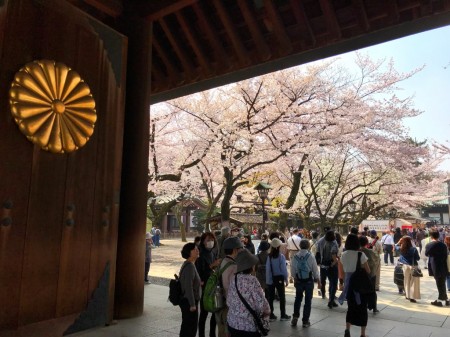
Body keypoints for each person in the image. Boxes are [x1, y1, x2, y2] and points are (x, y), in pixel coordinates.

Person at [227, 249, 270, 337]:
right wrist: (267, 311)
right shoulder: (252, 280)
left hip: (233, 324)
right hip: (249, 327)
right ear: (251, 266)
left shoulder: (234, 279)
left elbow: (229, 301)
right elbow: (261, 303)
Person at [338, 234, 370, 337]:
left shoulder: (344, 254)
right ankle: (363, 334)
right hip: (360, 287)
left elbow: (342, 273)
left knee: (350, 308)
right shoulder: (361, 255)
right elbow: (368, 271)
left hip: (349, 286)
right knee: (362, 309)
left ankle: (347, 329)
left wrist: (341, 283)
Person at [196, 232, 222, 337]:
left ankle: (212, 334)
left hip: (213, 285)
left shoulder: (212, 252)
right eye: (208, 240)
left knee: (215, 311)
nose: (210, 242)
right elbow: (199, 272)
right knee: (204, 313)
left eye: (212, 239)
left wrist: (215, 267)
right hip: (204, 286)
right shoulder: (200, 254)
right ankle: (201, 334)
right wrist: (212, 265)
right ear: (203, 241)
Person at [216, 237, 243, 337]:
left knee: (221, 328)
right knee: (228, 330)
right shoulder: (233, 265)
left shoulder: (224, 261)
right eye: (239, 248)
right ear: (235, 250)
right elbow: (233, 286)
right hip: (229, 301)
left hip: (221, 299)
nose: (240, 251)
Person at [290, 239, 321, 328]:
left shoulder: (295, 256)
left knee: (298, 299)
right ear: (308, 246)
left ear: (300, 246)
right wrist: (318, 281)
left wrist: (294, 278)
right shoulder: (310, 256)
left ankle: (295, 318)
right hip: (308, 282)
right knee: (308, 301)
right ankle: (305, 321)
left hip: (299, 281)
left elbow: (292, 270)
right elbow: (315, 270)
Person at [179, 242, 202, 337]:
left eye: (197, 249)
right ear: (189, 252)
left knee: (186, 326)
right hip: (189, 302)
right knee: (190, 328)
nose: (197, 251)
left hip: (186, 300)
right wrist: (192, 304)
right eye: (194, 249)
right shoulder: (190, 267)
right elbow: (188, 286)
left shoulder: (189, 264)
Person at [266, 238, 290, 321]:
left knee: (270, 298)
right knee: (282, 297)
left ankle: (271, 315)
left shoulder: (269, 256)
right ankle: (283, 315)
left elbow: (268, 269)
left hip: (271, 279)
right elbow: (283, 269)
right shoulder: (281, 256)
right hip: (279, 278)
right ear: (279, 246)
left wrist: (268, 280)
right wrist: (286, 279)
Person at [425, 230, 450, 307]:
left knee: (439, 283)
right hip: (443, 265)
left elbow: (426, 254)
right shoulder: (443, 245)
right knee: (442, 282)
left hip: (435, 266)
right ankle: (446, 299)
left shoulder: (429, 245)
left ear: (431, 236)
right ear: (438, 236)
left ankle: (440, 300)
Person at [319, 230, 339, 308]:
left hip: (324, 264)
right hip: (331, 265)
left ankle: (328, 297)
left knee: (325, 280)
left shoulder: (325, 242)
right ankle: (331, 300)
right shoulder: (334, 243)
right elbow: (333, 253)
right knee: (333, 283)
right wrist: (335, 261)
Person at [397, 236, 421, 303]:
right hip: (413, 266)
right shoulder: (413, 249)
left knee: (406, 281)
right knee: (413, 282)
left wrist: (399, 241)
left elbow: (395, 247)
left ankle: (407, 295)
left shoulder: (401, 248)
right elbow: (418, 258)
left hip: (405, 266)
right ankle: (412, 297)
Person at [359, 236, 379, 313]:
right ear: (366, 243)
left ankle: (361, 305)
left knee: (361, 290)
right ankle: (374, 307)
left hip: (360, 274)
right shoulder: (371, 252)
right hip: (371, 274)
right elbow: (377, 259)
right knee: (372, 291)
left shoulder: (357, 251)